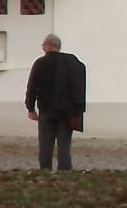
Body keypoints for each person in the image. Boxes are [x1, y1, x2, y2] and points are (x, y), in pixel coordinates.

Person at [25, 34, 87, 171]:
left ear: (48, 46)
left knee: (45, 145)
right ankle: (65, 172)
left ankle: (45, 171)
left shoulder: (40, 63)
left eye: (43, 45)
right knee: (64, 145)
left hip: (46, 110)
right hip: (67, 112)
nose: (43, 48)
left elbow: (32, 87)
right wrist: (79, 110)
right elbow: (79, 86)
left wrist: (30, 108)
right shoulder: (73, 62)